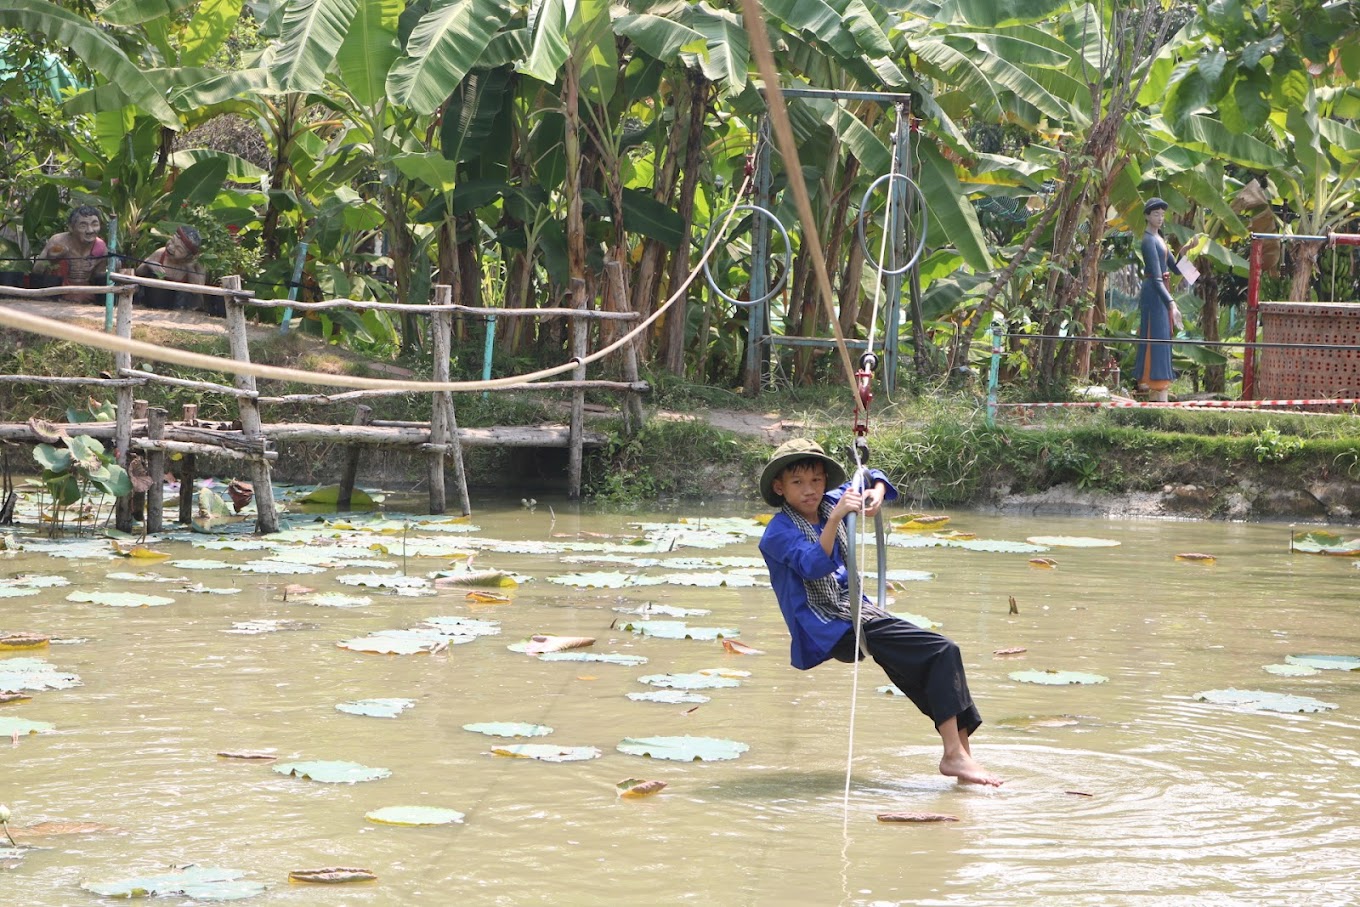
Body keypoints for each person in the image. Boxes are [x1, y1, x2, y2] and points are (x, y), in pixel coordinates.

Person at [757, 438, 1003, 787]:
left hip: (859, 610)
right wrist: (840, 515)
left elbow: (869, 473)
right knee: (941, 649)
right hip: (830, 625)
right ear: (780, 488)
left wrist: (874, 490)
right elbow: (813, 565)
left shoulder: (830, 499)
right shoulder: (777, 533)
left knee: (927, 667)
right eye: (797, 483)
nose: (810, 491)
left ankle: (962, 758)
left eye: (816, 481)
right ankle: (953, 756)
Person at [1133, 197, 1181, 403]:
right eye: (1155, 214)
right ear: (1146, 216)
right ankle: (1153, 380)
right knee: (1156, 334)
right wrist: (1172, 303)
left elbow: (1176, 267)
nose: (1160, 218)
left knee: (1164, 336)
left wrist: (1188, 253)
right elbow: (1157, 276)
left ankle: (1161, 381)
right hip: (1154, 291)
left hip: (1162, 290)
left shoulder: (1160, 239)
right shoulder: (1147, 241)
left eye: (1162, 214)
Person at [32, 205, 108, 303]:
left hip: (85, 294)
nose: (90, 230)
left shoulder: (100, 248)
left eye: (94, 224)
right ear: (71, 228)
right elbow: (37, 270)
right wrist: (50, 259)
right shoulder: (58, 241)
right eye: (83, 226)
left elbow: (98, 279)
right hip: (56, 292)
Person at [135, 225, 207, 311]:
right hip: (154, 305)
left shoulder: (196, 264)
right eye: (172, 241)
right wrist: (149, 264)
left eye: (179, 249)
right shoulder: (160, 253)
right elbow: (138, 272)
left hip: (181, 310)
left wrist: (189, 268)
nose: (171, 247)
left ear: (188, 256)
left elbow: (198, 290)